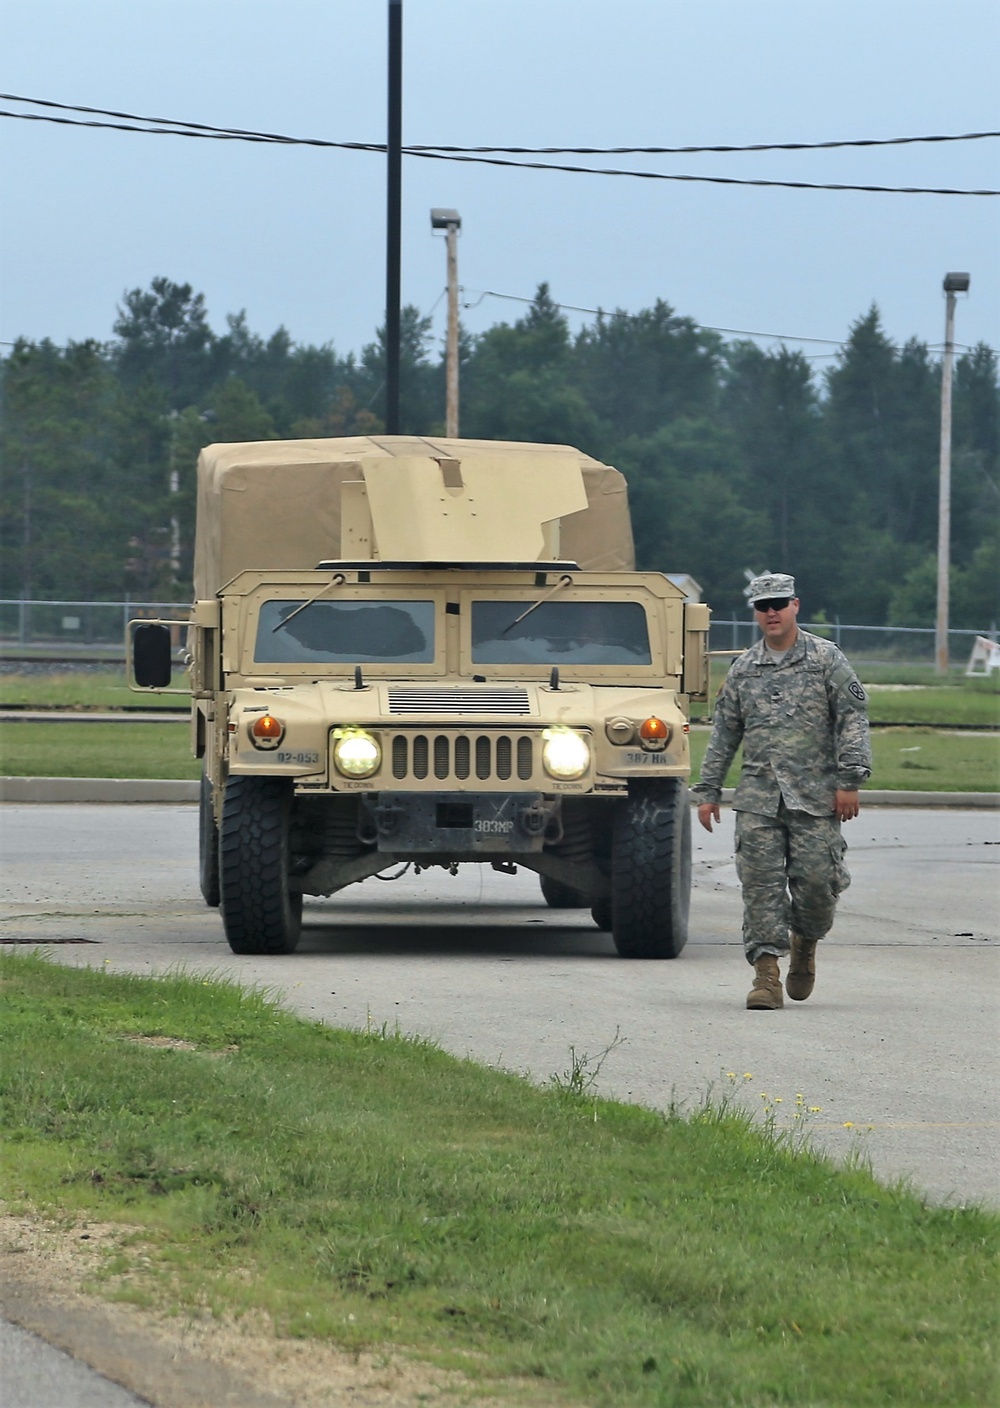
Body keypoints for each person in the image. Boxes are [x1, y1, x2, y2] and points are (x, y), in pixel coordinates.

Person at [691, 572, 872, 1010]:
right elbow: (724, 733)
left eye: (778, 603)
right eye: (762, 606)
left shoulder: (826, 659)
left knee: (817, 887)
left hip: (815, 798)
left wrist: (850, 781)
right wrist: (709, 789)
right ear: (755, 613)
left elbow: (853, 719)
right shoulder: (743, 669)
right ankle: (766, 975)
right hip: (758, 800)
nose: (770, 612)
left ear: (795, 605)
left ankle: (805, 942)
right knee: (760, 889)